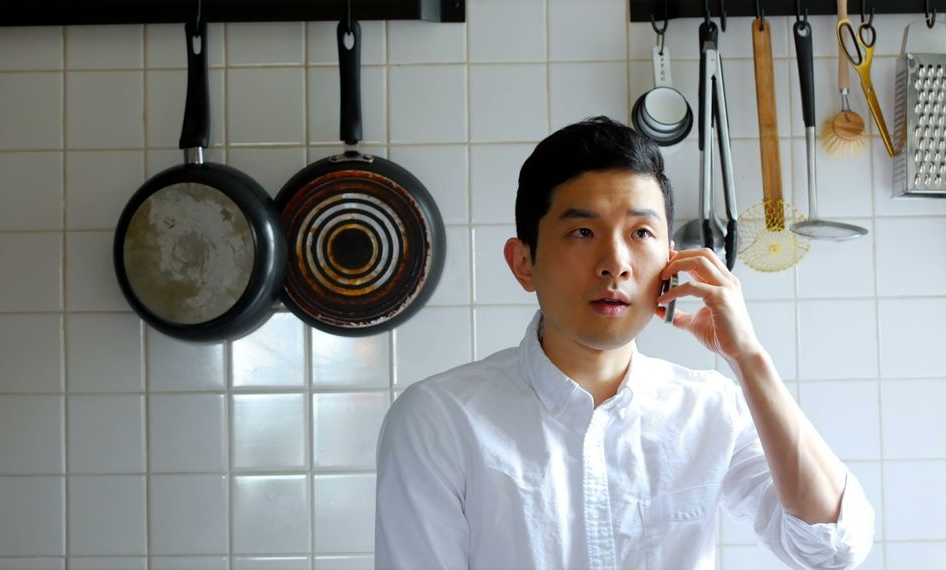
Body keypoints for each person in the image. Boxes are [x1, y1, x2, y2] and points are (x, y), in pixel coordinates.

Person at [374, 116, 874, 570]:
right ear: (524, 262)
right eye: (583, 231)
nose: (615, 263)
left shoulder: (709, 409)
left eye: (640, 232)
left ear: (672, 261)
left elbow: (830, 548)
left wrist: (748, 358)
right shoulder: (439, 418)